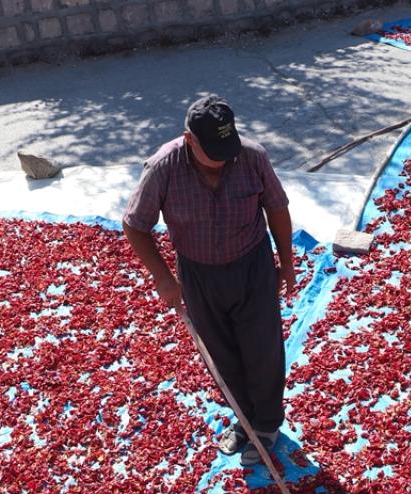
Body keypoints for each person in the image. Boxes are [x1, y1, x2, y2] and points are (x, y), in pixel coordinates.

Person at [122, 94, 295, 465]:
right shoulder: (163, 167)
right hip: (198, 272)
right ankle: (244, 419)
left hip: (253, 265)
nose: (223, 157)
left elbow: (277, 209)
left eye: (227, 147)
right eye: (213, 150)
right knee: (220, 352)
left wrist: (287, 262)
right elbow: (135, 226)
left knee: (262, 350)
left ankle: (266, 424)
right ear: (189, 140)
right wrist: (163, 278)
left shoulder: (251, 156)